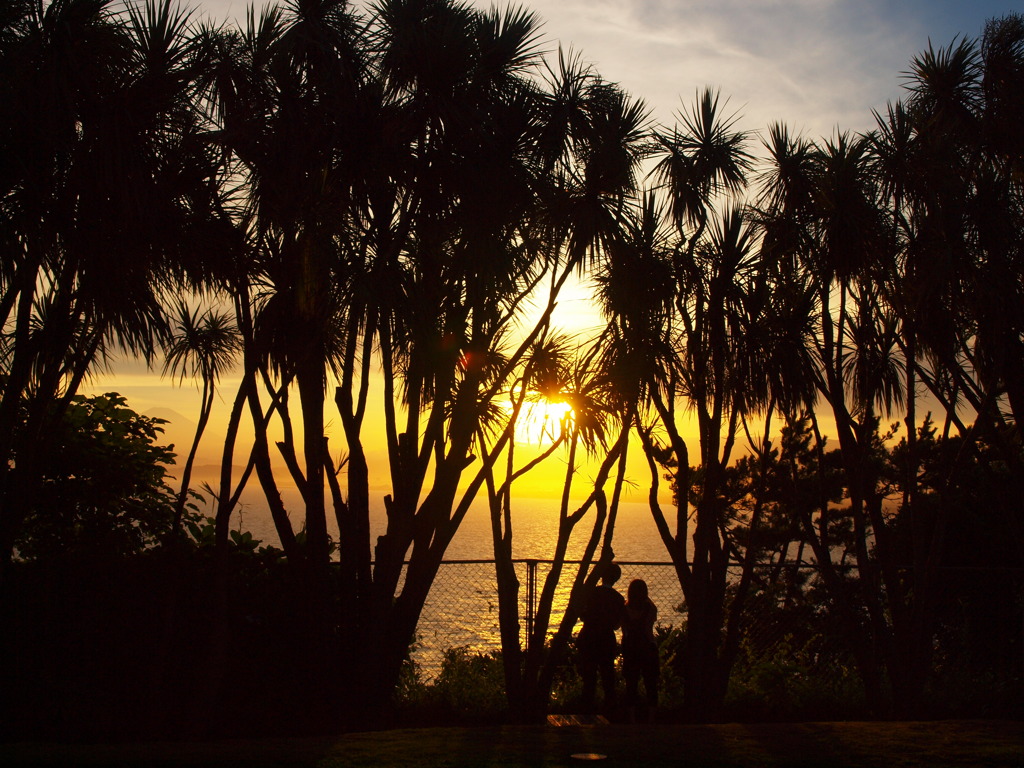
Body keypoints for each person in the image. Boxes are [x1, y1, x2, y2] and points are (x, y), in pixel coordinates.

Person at [576, 561, 625, 713]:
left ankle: (586, 710)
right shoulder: (618, 598)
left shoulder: (591, 593)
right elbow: (617, 624)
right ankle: (610, 710)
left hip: (588, 637)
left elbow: (582, 615)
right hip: (606, 640)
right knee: (608, 677)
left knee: (588, 677)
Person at [621, 578, 659, 722]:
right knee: (651, 684)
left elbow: (623, 629)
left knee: (631, 684)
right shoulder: (649, 609)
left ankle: (632, 718)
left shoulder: (625, 610)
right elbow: (653, 617)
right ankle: (651, 718)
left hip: (631, 648)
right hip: (648, 647)